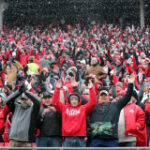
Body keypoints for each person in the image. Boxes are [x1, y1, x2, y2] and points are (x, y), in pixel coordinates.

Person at [89, 74, 135, 147]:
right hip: (96, 140)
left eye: (105, 95)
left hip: (112, 141)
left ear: (108, 96)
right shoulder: (93, 106)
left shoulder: (115, 105)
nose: (103, 97)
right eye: (101, 95)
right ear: (98, 97)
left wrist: (130, 84)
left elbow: (127, 97)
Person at [52, 79, 97, 147]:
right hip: (68, 138)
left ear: (79, 101)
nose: (74, 101)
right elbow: (55, 103)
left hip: (80, 138)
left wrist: (91, 89)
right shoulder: (64, 108)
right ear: (69, 101)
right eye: (72, 99)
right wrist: (57, 89)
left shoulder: (83, 108)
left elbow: (93, 102)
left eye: (76, 99)